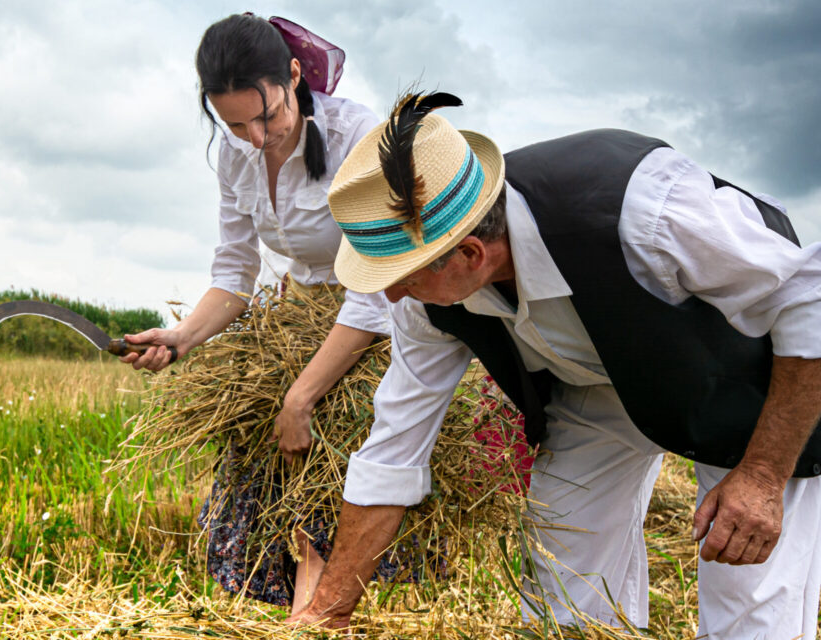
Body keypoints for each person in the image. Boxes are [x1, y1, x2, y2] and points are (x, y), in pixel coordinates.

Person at [285, 91, 821, 638]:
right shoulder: (426, 305)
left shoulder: (641, 208)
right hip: (596, 390)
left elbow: (811, 299)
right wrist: (324, 616)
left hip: (743, 381)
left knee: (749, 606)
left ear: (470, 255)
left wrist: (763, 475)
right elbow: (394, 451)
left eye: (402, 276)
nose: (393, 296)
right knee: (564, 591)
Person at [117, 14, 398, 613]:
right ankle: (306, 620)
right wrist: (181, 337)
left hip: (373, 327)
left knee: (327, 485)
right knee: (278, 493)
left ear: (294, 75)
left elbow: (373, 293)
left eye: (264, 115)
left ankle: (315, 620)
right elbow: (234, 273)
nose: (252, 136)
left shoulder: (357, 138)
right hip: (293, 323)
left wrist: (301, 398)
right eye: (233, 122)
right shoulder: (235, 154)